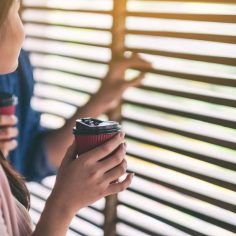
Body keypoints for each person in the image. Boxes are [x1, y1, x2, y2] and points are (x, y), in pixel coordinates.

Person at [0, 0, 135, 235]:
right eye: (16, 12)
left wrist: (102, 99)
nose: (22, 33)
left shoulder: (18, 65)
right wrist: (63, 205)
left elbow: (32, 154)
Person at [0, 38, 150, 183]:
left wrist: (101, 100)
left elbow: (30, 158)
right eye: (14, 12)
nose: (22, 29)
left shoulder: (17, 62)